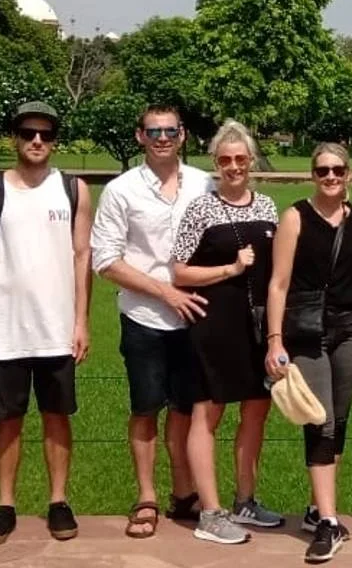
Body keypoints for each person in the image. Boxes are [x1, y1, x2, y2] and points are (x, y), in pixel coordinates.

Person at [91, 106, 240, 538]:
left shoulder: (204, 183)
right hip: (145, 316)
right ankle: (146, 496)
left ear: (183, 135)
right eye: (153, 131)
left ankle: (183, 492)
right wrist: (166, 292)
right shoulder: (121, 191)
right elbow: (106, 260)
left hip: (197, 317)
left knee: (186, 409)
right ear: (140, 136)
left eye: (170, 131)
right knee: (145, 408)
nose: (162, 138)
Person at [0, 101, 91, 547]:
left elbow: (82, 257)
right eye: (27, 133)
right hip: (6, 329)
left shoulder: (73, 190)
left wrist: (82, 321)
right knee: (8, 420)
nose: (36, 141)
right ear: (14, 138)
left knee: (57, 416)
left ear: (55, 140)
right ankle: (5, 506)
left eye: (45, 134)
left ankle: (59, 501)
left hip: (57, 328)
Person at [171, 121, 282, 544]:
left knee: (256, 410)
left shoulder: (267, 207)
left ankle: (245, 500)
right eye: (225, 160)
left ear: (251, 161)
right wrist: (230, 269)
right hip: (214, 323)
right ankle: (210, 512)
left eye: (240, 159)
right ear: (215, 164)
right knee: (208, 413)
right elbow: (180, 272)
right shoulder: (201, 209)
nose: (233, 167)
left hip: (257, 326)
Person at [265, 143, 352, 564]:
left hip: (349, 330)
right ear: (313, 175)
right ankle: (329, 522)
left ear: (349, 174)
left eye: (338, 170)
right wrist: (275, 339)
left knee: (339, 421)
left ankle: (317, 508)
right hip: (308, 331)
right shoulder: (295, 217)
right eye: (323, 170)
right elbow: (278, 283)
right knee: (320, 420)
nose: (331, 177)